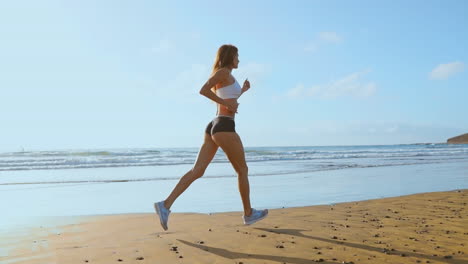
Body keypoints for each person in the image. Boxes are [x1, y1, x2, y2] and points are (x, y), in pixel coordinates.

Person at [154, 44, 268, 231]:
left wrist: (242, 91)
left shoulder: (226, 75)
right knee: (242, 170)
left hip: (215, 125)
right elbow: (203, 90)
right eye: (237, 56)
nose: (239, 59)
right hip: (224, 126)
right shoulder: (223, 72)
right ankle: (248, 214)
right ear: (230, 56)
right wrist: (226, 103)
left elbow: (229, 97)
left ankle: (165, 205)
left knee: (197, 171)